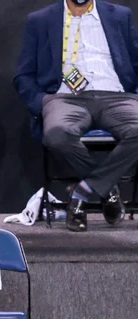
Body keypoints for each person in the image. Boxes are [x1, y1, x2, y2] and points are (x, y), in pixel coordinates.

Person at [13, 0, 138, 232]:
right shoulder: (40, 20)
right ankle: (106, 190)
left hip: (116, 96)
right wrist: (42, 103)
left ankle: (82, 192)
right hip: (65, 98)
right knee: (57, 135)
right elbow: (24, 74)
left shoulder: (120, 16)